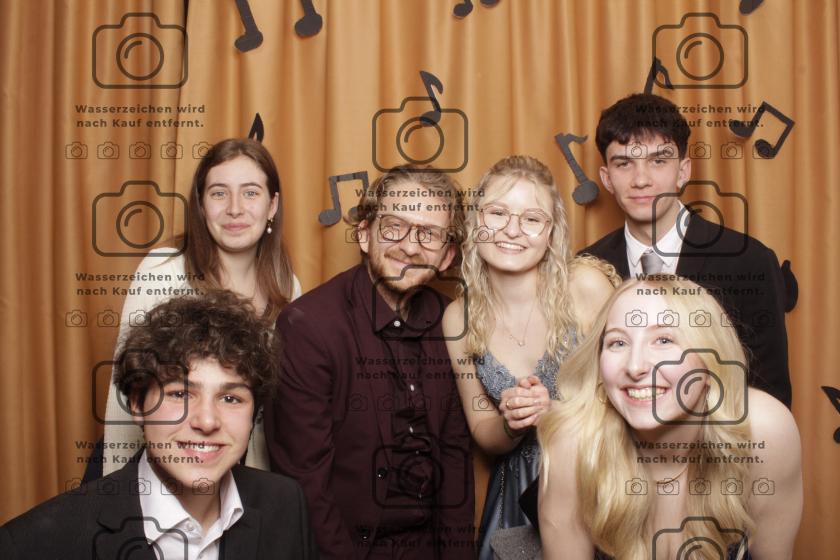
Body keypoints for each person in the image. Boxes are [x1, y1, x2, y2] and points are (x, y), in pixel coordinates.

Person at [1, 291, 318, 559]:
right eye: (180, 394)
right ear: (137, 404)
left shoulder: (285, 504)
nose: (207, 421)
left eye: (230, 398)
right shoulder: (35, 545)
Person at [264, 166, 475, 559]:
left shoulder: (451, 322)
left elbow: (454, 463)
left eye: (429, 234)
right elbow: (305, 483)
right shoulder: (309, 327)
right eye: (394, 226)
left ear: (447, 255)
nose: (410, 247)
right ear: (364, 234)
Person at [538, 278, 803, 560]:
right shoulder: (572, 442)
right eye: (618, 342)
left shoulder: (763, 431)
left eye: (664, 340)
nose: (635, 366)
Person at [442, 155, 616, 559]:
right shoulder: (457, 319)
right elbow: (482, 428)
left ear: (551, 233)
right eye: (497, 213)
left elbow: (637, 398)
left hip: (598, 477)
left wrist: (558, 413)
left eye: (532, 219)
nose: (512, 230)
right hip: (516, 494)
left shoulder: (586, 287)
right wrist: (512, 422)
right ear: (475, 221)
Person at [100, 138, 301, 476]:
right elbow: (125, 394)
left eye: (250, 193)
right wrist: (120, 491)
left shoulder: (287, 287)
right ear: (201, 205)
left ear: (272, 205)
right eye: (219, 193)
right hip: (169, 465)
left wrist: (264, 490)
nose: (235, 208)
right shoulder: (163, 270)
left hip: (243, 471)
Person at [581, 93, 792, 408]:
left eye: (658, 161)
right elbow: (580, 389)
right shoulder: (587, 268)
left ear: (683, 171)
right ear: (607, 178)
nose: (641, 180)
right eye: (624, 163)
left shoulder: (749, 261)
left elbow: (770, 397)